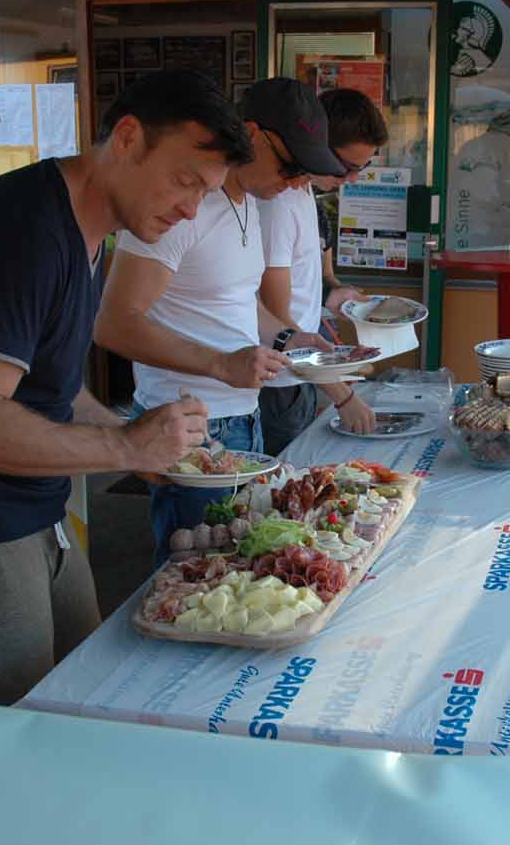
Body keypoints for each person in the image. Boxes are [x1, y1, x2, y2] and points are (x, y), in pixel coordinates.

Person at [0, 70, 250, 705]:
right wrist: (124, 448)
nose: (191, 209)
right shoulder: (23, 232)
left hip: (37, 511)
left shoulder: (90, 230)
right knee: (23, 727)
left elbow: (52, 388)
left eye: (206, 194)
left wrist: (134, 440)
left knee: (87, 696)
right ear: (127, 138)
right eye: (186, 180)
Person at [94, 78, 344, 559]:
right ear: (251, 135)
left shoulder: (247, 202)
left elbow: (240, 301)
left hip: (243, 420)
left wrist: (289, 337)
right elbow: (115, 321)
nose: (295, 181)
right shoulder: (179, 207)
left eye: (304, 171)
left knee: (234, 570)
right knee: (192, 576)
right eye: (290, 165)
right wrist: (221, 364)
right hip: (190, 428)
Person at [257, 87, 390, 454]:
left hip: (299, 376)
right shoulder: (277, 204)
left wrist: (334, 297)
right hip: (277, 382)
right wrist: (342, 394)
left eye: (362, 168)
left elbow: (299, 290)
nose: (352, 179)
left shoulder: (304, 195)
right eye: (347, 167)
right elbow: (276, 321)